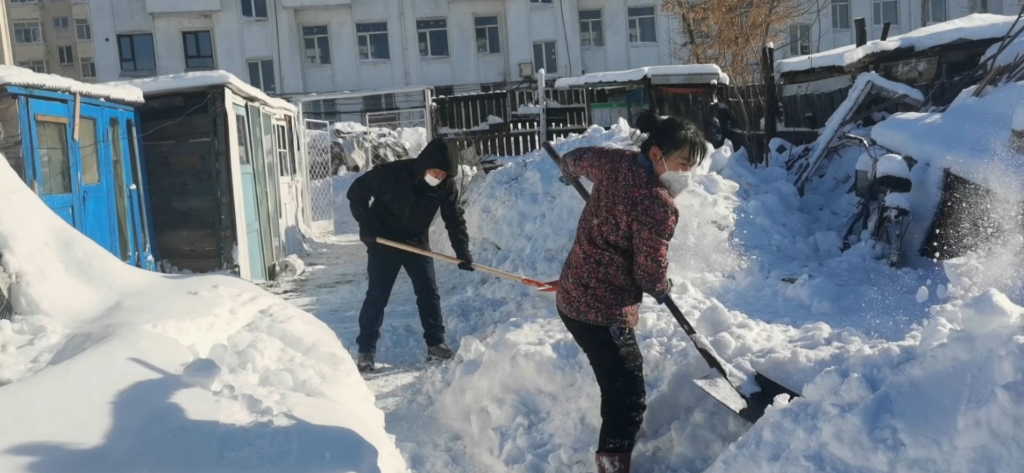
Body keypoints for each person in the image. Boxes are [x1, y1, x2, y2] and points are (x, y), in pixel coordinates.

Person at [556, 112, 708, 473]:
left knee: (620, 384)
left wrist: (568, 173)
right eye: (683, 164)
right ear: (657, 154)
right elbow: (648, 273)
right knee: (626, 396)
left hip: (572, 293)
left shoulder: (614, 160)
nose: (687, 174)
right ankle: (612, 468)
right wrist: (661, 286)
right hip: (601, 310)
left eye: (691, 166)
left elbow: (574, 159)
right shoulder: (657, 204)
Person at [347, 138, 474, 373]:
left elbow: (454, 219)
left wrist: (462, 252)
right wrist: (367, 226)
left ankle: (436, 344)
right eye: (436, 171)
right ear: (425, 164)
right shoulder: (391, 173)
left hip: (416, 243)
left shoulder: (445, 186)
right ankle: (366, 351)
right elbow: (356, 192)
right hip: (383, 242)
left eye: (444, 175)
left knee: (428, 292)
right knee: (377, 295)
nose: (439, 177)